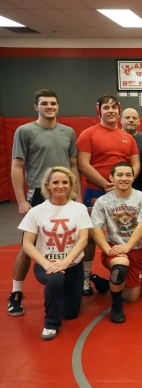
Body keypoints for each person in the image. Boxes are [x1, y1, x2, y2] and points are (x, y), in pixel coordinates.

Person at [8, 89, 81, 316]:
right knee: (27, 246)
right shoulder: (25, 131)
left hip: (65, 192)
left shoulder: (68, 131)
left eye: (53, 103)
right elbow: (17, 167)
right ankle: (16, 292)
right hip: (39, 193)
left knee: (73, 237)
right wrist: (21, 200)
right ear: (36, 107)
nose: (49, 106)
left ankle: (76, 280)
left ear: (58, 106)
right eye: (44, 103)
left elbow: (73, 165)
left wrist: (76, 193)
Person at [18, 167, 92, 339]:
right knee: (55, 277)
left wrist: (66, 262)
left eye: (65, 182)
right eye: (56, 182)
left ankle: (70, 289)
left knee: (70, 314)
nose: (61, 186)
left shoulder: (79, 209)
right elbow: (27, 244)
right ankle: (50, 324)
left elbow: (83, 239)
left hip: (73, 265)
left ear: (71, 185)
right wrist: (45, 264)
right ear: (48, 185)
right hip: (47, 265)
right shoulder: (36, 212)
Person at [77, 94, 140, 296]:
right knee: (89, 235)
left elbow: (135, 164)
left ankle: (126, 265)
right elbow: (83, 164)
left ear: (119, 109)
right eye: (107, 107)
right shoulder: (88, 134)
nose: (111, 111)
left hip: (123, 193)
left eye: (114, 107)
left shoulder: (128, 137)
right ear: (99, 110)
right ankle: (85, 278)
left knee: (126, 228)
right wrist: (106, 184)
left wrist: (124, 183)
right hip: (96, 191)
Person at [89, 162, 142, 323]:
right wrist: (108, 250)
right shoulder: (103, 201)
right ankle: (116, 305)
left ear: (133, 177)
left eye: (128, 175)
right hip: (113, 248)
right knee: (120, 265)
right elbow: (95, 229)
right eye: (119, 175)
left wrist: (127, 246)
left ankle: (104, 283)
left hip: (134, 247)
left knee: (131, 297)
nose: (124, 178)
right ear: (111, 177)